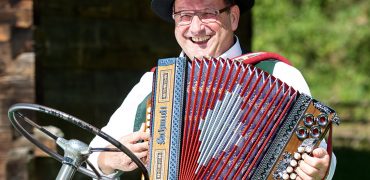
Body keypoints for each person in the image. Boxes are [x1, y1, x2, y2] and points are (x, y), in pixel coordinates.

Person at [88, 0, 336, 179]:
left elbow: (321, 158)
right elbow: (91, 157)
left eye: (208, 13)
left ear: (234, 17)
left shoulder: (279, 75)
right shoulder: (153, 83)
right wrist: (110, 159)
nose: (195, 28)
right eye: (184, 15)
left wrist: (319, 170)